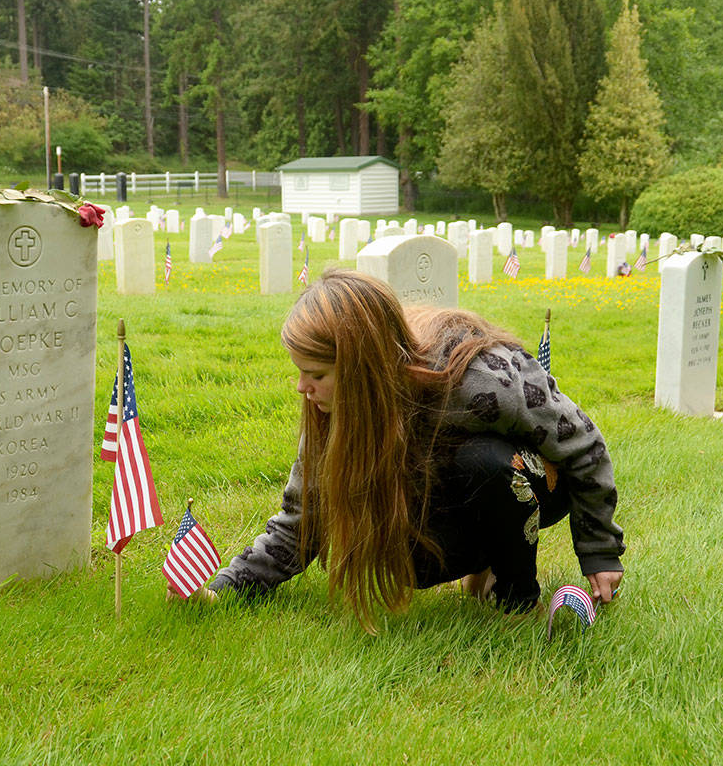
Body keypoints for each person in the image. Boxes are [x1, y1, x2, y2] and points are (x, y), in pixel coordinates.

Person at [194, 269, 624, 632]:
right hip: (453, 497)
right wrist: (228, 585)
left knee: (487, 464)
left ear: (362, 367)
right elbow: (303, 517)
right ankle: (483, 563)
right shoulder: (333, 409)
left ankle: (513, 593)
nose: (302, 388)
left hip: (531, 484)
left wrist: (599, 550)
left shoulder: (482, 380)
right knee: (405, 553)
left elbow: (582, 443)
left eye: (316, 374)